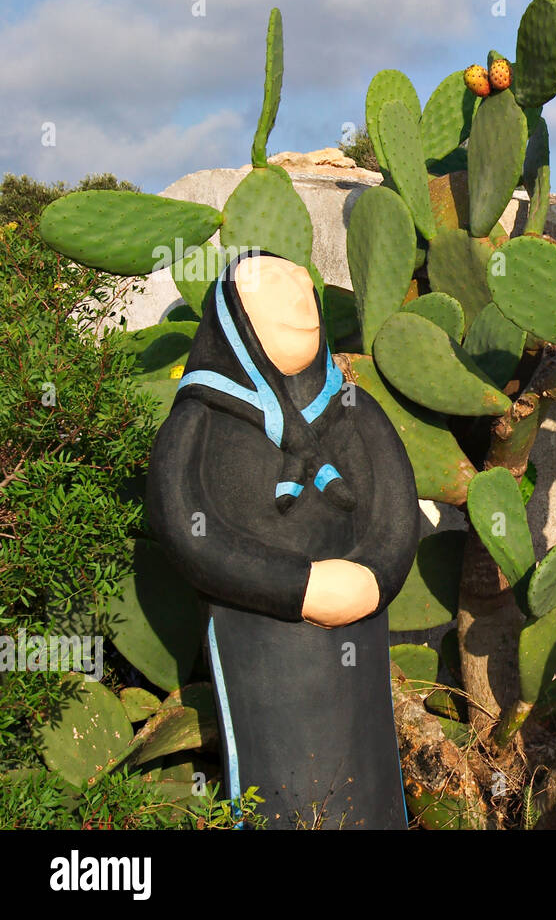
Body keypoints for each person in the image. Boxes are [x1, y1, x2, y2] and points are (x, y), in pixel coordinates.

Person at [147, 250, 420, 828]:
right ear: (235, 319)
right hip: (261, 644)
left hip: (358, 643)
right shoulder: (199, 419)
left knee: (366, 776)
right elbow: (186, 527)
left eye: (301, 278)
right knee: (280, 791)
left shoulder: (350, 408)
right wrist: (297, 586)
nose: (298, 291)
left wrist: (375, 577)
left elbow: (396, 509)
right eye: (270, 282)